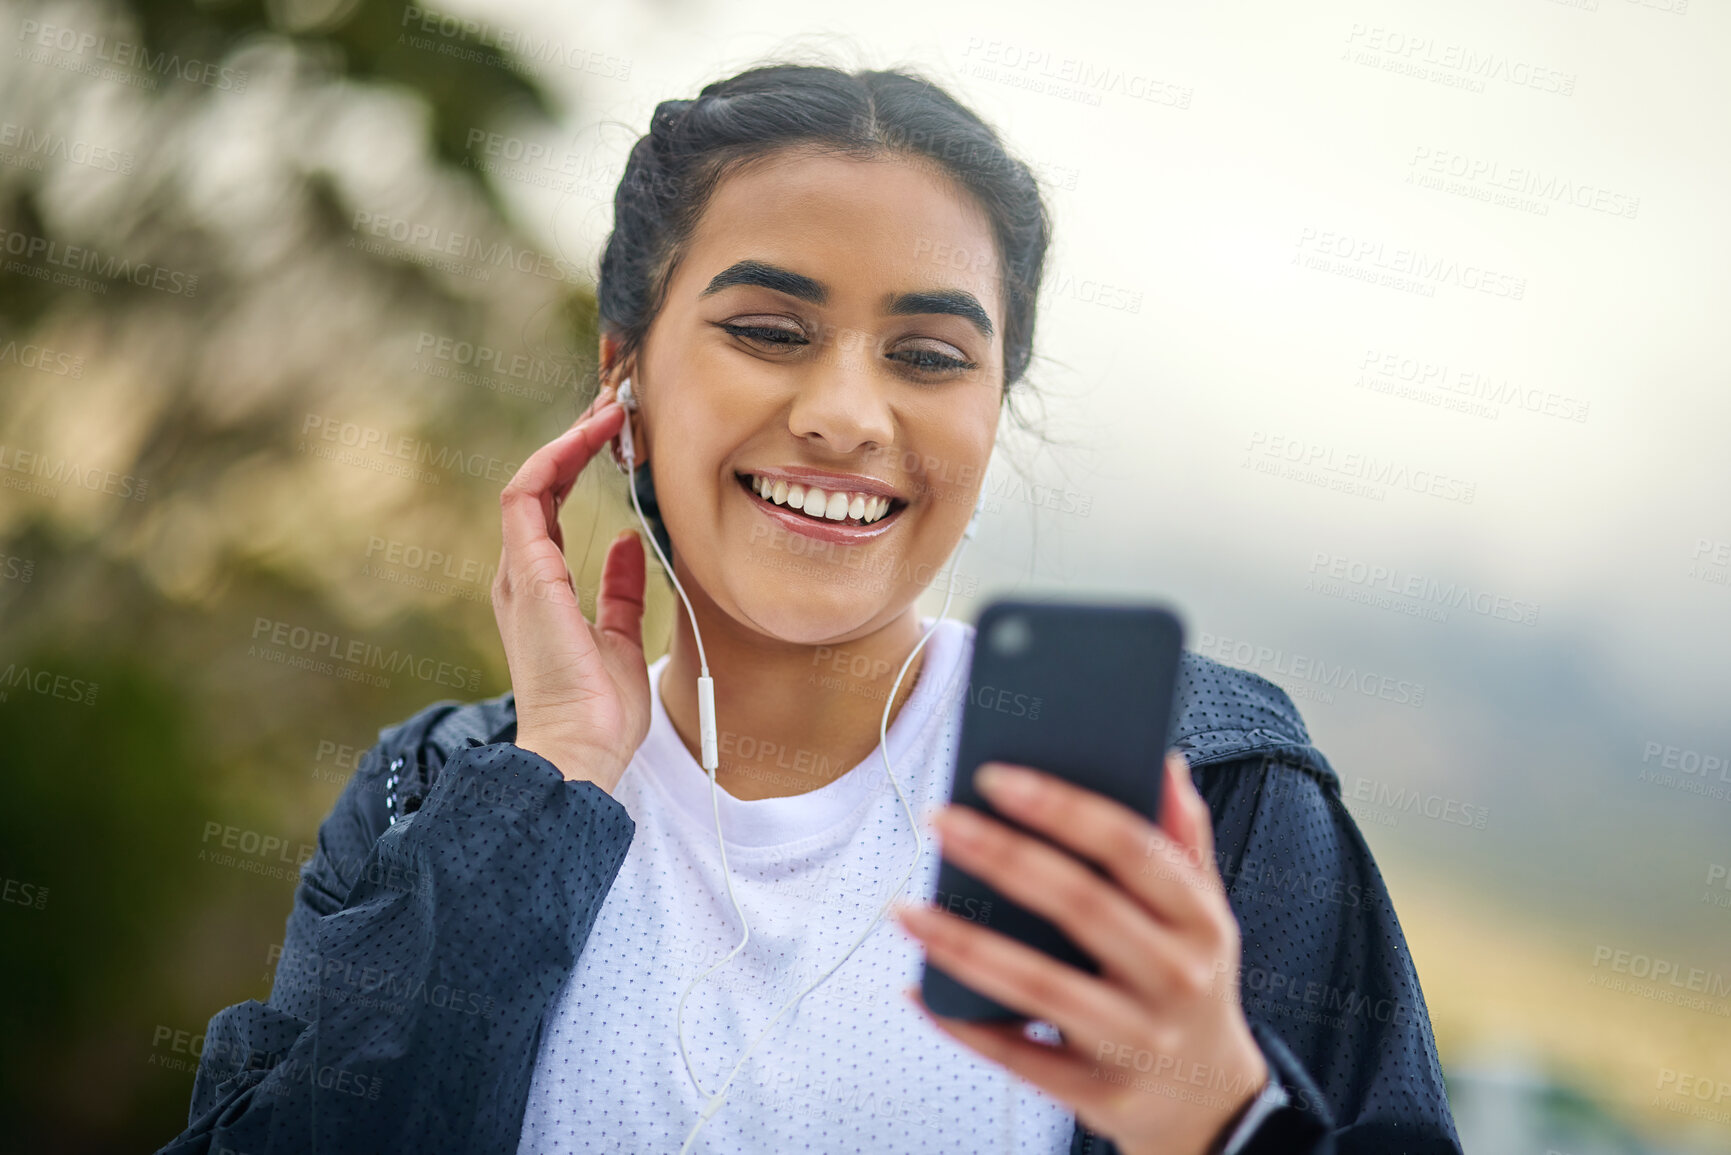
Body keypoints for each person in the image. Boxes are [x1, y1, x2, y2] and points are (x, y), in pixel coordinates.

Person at [159, 63, 1462, 1155]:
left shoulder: (1196, 798)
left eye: (932, 357)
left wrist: (1227, 1120)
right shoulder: (437, 789)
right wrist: (549, 785)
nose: (847, 413)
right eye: (771, 329)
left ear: (993, 406)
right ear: (624, 379)